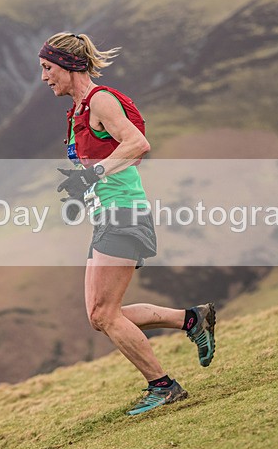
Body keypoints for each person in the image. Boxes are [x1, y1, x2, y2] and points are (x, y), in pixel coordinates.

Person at [39, 32, 216, 415]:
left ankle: (164, 386)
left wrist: (93, 174)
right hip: (108, 215)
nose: (44, 77)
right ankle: (191, 319)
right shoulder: (78, 112)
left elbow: (137, 143)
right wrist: (81, 189)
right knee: (100, 315)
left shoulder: (100, 100)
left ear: (69, 66)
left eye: (48, 68)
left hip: (124, 214)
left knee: (105, 314)